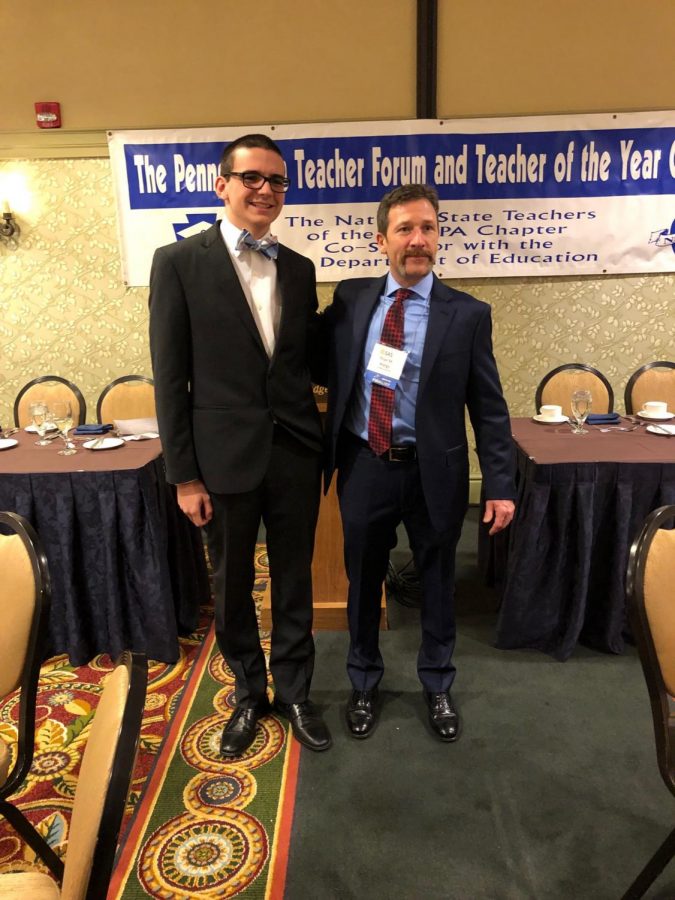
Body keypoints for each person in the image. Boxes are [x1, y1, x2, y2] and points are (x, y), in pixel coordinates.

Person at [149, 133, 331, 757]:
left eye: (277, 181)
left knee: (294, 580)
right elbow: (171, 377)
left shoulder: (300, 269)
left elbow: (308, 360)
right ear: (221, 184)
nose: (266, 190)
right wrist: (183, 475)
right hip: (220, 458)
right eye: (252, 178)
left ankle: (297, 691)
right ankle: (249, 696)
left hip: (296, 452)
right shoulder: (178, 263)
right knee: (230, 587)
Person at [322, 184, 515, 742]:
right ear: (382, 239)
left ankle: (437, 682)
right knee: (363, 581)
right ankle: (363, 679)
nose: (418, 240)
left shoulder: (468, 315)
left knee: (436, 580)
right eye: (405, 229)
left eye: (428, 228)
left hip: (437, 473)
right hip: (366, 466)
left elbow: (489, 407)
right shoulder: (351, 300)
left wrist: (499, 483)